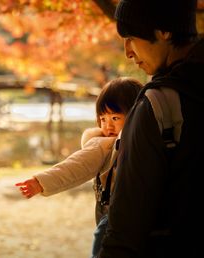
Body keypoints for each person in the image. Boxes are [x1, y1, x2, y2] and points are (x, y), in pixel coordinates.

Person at [98, 0, 204, 257]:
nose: (127, 52)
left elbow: (127, 225)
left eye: (131, 37)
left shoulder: (159, 103)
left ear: (164, 31)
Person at [15, 77, 142, 258]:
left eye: (115, 117)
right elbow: (75, 166)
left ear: (135, 115)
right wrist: (41, 182)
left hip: (120, 217)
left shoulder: (135, 143)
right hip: (112, 216)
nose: (108, 125)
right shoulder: (103, 144)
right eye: (103, 118)